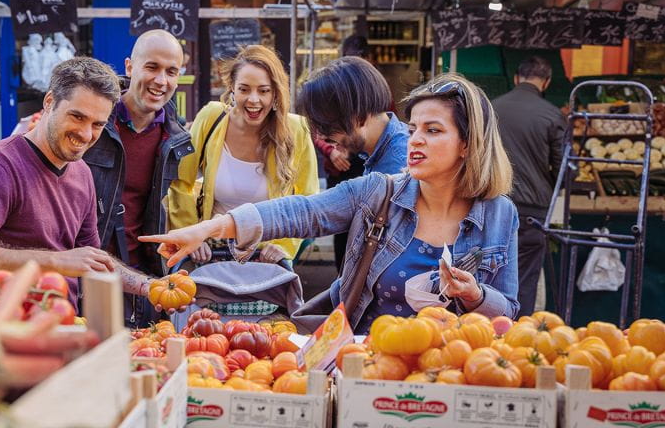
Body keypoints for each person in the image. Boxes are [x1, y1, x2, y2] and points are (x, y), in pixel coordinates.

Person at [143, 73, 520, 333]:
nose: (416, 140)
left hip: (455, 371)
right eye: (413, 129)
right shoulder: (378, 192)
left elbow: (509, 311)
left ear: (467, 144)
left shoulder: (500, 215)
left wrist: (476, 296)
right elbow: (302, 211)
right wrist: (208, 228)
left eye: (433, 130)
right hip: (363, 365)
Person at [0, 57, 154, 306]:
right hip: (3, 320)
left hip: (63, 321)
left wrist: (149, 287)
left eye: (98, 124)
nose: (86, 134)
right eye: (77, 117)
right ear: (49, 102)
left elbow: (92, 261)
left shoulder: (82, 173)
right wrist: (55, 261)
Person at [167, 45, 318, 267]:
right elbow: (181, 182)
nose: (253, 100)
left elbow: (309, 199)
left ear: (275, 93)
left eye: (263, 91)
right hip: (211, 254)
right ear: (232, 89)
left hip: (267, 258)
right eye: (244, 89)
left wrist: (285, 245)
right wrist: (192, 234)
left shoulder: (296, 130)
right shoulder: (211, 117)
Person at [82, 29, 194, 327]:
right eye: (152, 67)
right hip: (87, 273)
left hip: (144, 279)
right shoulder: (94, 122)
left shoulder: (176, 137)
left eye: (171, 71)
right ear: (130, 67)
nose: (161, 80)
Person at [302, 57, 408, 271]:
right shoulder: (383, 150)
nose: (321, 136)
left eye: (327, 127)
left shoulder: (397, 166)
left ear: (359, 117)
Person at [491, 56, 564, 316]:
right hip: (534, 209)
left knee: (490, 270)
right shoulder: (552, 115)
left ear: (516, 78)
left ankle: (488, 329)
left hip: (493, 202)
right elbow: (564, 168)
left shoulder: (492, 109)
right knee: (526, 275)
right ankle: (519, 329)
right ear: (546, 82)